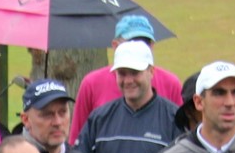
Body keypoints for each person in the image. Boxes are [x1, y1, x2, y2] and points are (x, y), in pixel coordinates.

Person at [67, 13, 185, 144]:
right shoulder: (92, 83)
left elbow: (182, 138)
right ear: (115, 45)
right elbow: (78, 141)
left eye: (145, 43)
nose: (137, 48)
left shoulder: (170, 83)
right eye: (131, 42)